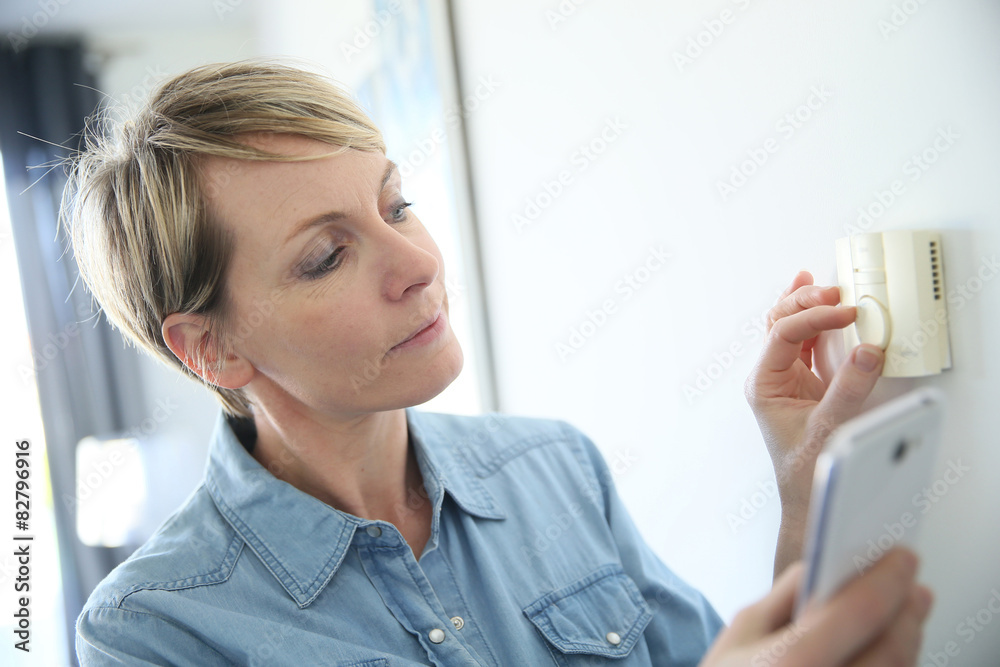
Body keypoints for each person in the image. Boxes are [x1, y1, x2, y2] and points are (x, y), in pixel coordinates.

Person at [65, 60, 932, 666]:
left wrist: (804, 498)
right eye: (327, 257)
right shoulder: (152, 630)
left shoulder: (555, 466)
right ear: (211, 347)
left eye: (395, 205)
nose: (418, 264)